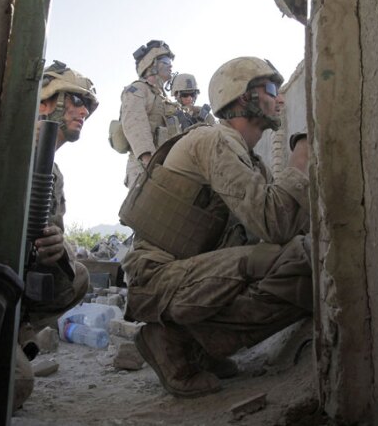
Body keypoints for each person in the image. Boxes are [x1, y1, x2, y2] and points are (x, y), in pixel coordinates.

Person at [120, 56, 312, 398]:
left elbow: (274, 231)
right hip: (160, 281)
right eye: (270, 89)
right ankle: (173, 341)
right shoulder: (214, 141)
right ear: (242, 98)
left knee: (299, 260)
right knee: (302, 261)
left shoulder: (251, 162)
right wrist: (301, 160)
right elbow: (276, 223)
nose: (280, 99)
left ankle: (201, 348)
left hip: (192, 275)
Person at [14, 61, 99, 409]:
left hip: (17, 284)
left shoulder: (54, 173)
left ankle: (19, 333)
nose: (83, 111)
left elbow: (51, 237)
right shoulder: (11, 148)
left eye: (88, 106)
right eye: (77, 100)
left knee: (76, 275)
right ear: (45, 102)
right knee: (16, 385)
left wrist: (58, 247)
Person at [119, 39, 181, 188]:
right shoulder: (138, 90)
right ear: (151, 64)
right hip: (145, 167)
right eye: (165, 61)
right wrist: (150, 162)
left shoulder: (163, 98)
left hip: (166, 165)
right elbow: (135, 124)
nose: (170, 65)